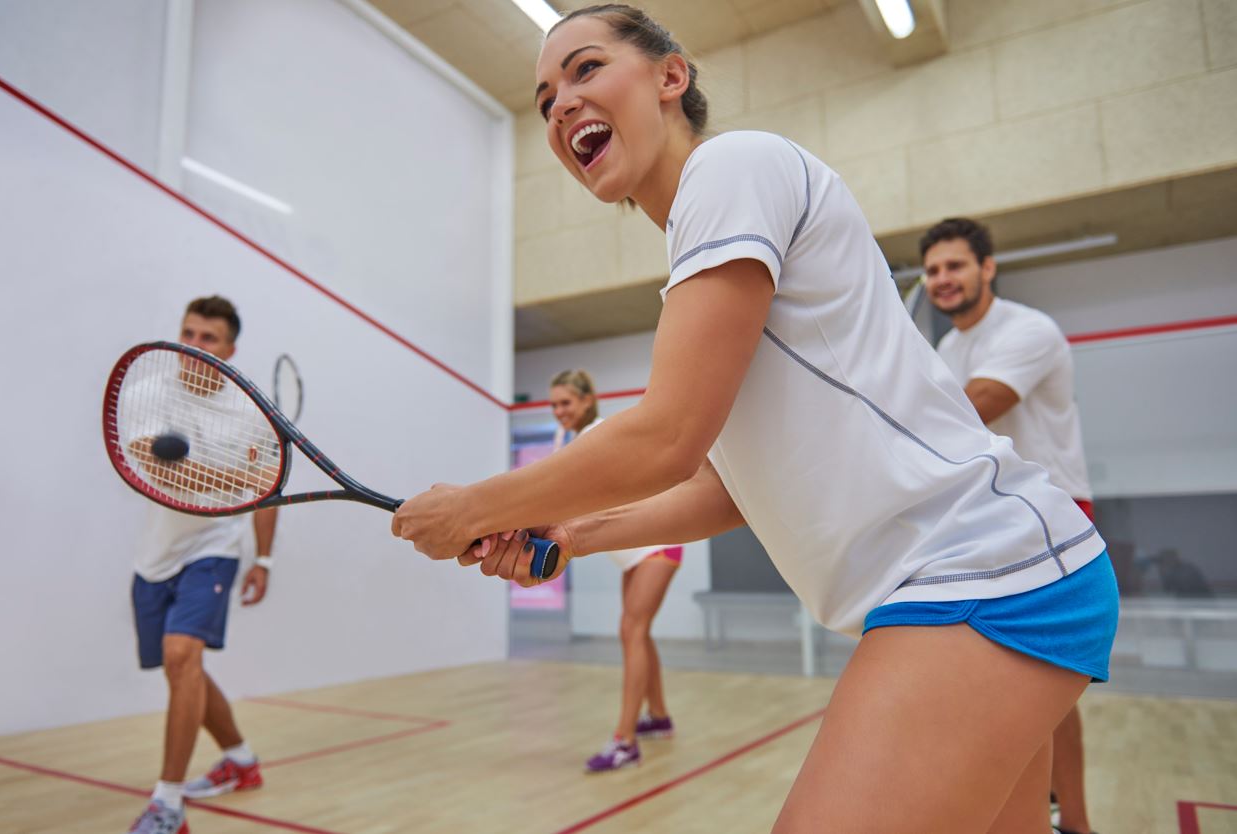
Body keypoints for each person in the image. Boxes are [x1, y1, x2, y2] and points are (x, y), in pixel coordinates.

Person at [393, 5, 1118, 832]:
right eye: (544, 93)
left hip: (982, 575)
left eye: (585, 69)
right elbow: (725, 491)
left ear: (672, 76)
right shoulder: (713, 251)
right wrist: (567, 532)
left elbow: (668, 436)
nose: (558, 103)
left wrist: (480, 505)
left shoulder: (731, 168)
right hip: (991, 575)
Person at [922, 218, 1100, 834]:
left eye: (956, 266)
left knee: (1048, 689)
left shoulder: (1029, 330)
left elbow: (975, 413)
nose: (943, 279)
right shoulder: (947, 349)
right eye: (935, 269)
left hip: (1054, 517)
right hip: (989, 521)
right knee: (1002, 683)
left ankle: (1074, 823)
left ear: (987, 267)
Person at [125, 296, 278, 834]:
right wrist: (240, 484)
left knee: (180, 655)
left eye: (207, 338)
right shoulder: (145, 392)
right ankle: (239, 759)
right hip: (157, 554)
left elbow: (267, 499)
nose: (192, 347)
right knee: (183, 667)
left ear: (230, 349)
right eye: (187, 333)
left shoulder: (251, 414)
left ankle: (168, 803)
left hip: (215, 547)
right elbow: (153, 466)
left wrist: (262, 557)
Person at [549, 369, 681, 772]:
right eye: (553, 405)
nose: (559, 412)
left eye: (566, 403)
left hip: (657, 545)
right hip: (630, 554)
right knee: (637, 630)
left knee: (631, 630)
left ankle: (625, 742)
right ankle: (657, 716)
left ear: (588, 400)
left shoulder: (600, 434)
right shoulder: (566, 440)